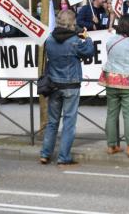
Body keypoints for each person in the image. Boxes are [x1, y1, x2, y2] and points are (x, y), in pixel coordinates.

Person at [40, 10, 95, 166]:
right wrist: (87, 38)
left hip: (53, 85)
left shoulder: (49, 40)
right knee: (69, 122)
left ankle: (45, 153)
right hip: (71, 85)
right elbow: (89, 51)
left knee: (52, 122)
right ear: (72, 23)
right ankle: (63, 157)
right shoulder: (75, 41)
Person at [100, 14, 129, 157]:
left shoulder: (110, 41)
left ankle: (111, 145)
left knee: (111, 114)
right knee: (128, 115)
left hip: (111, 81)